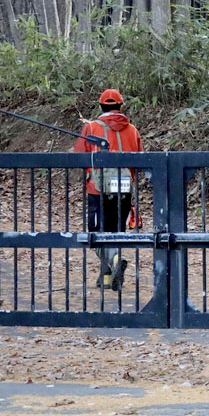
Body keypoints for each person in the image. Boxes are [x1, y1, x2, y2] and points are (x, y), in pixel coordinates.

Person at [73, 89, 144, 291]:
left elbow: (79, 156)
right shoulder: (133, 130)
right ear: (120, 106)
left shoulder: (91, 128)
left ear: (101, 106)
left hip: (97, 189)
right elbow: (140, 160)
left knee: (97, 233)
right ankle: (106, 277)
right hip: (124, 188)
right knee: (116, 231)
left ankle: (115, 261)